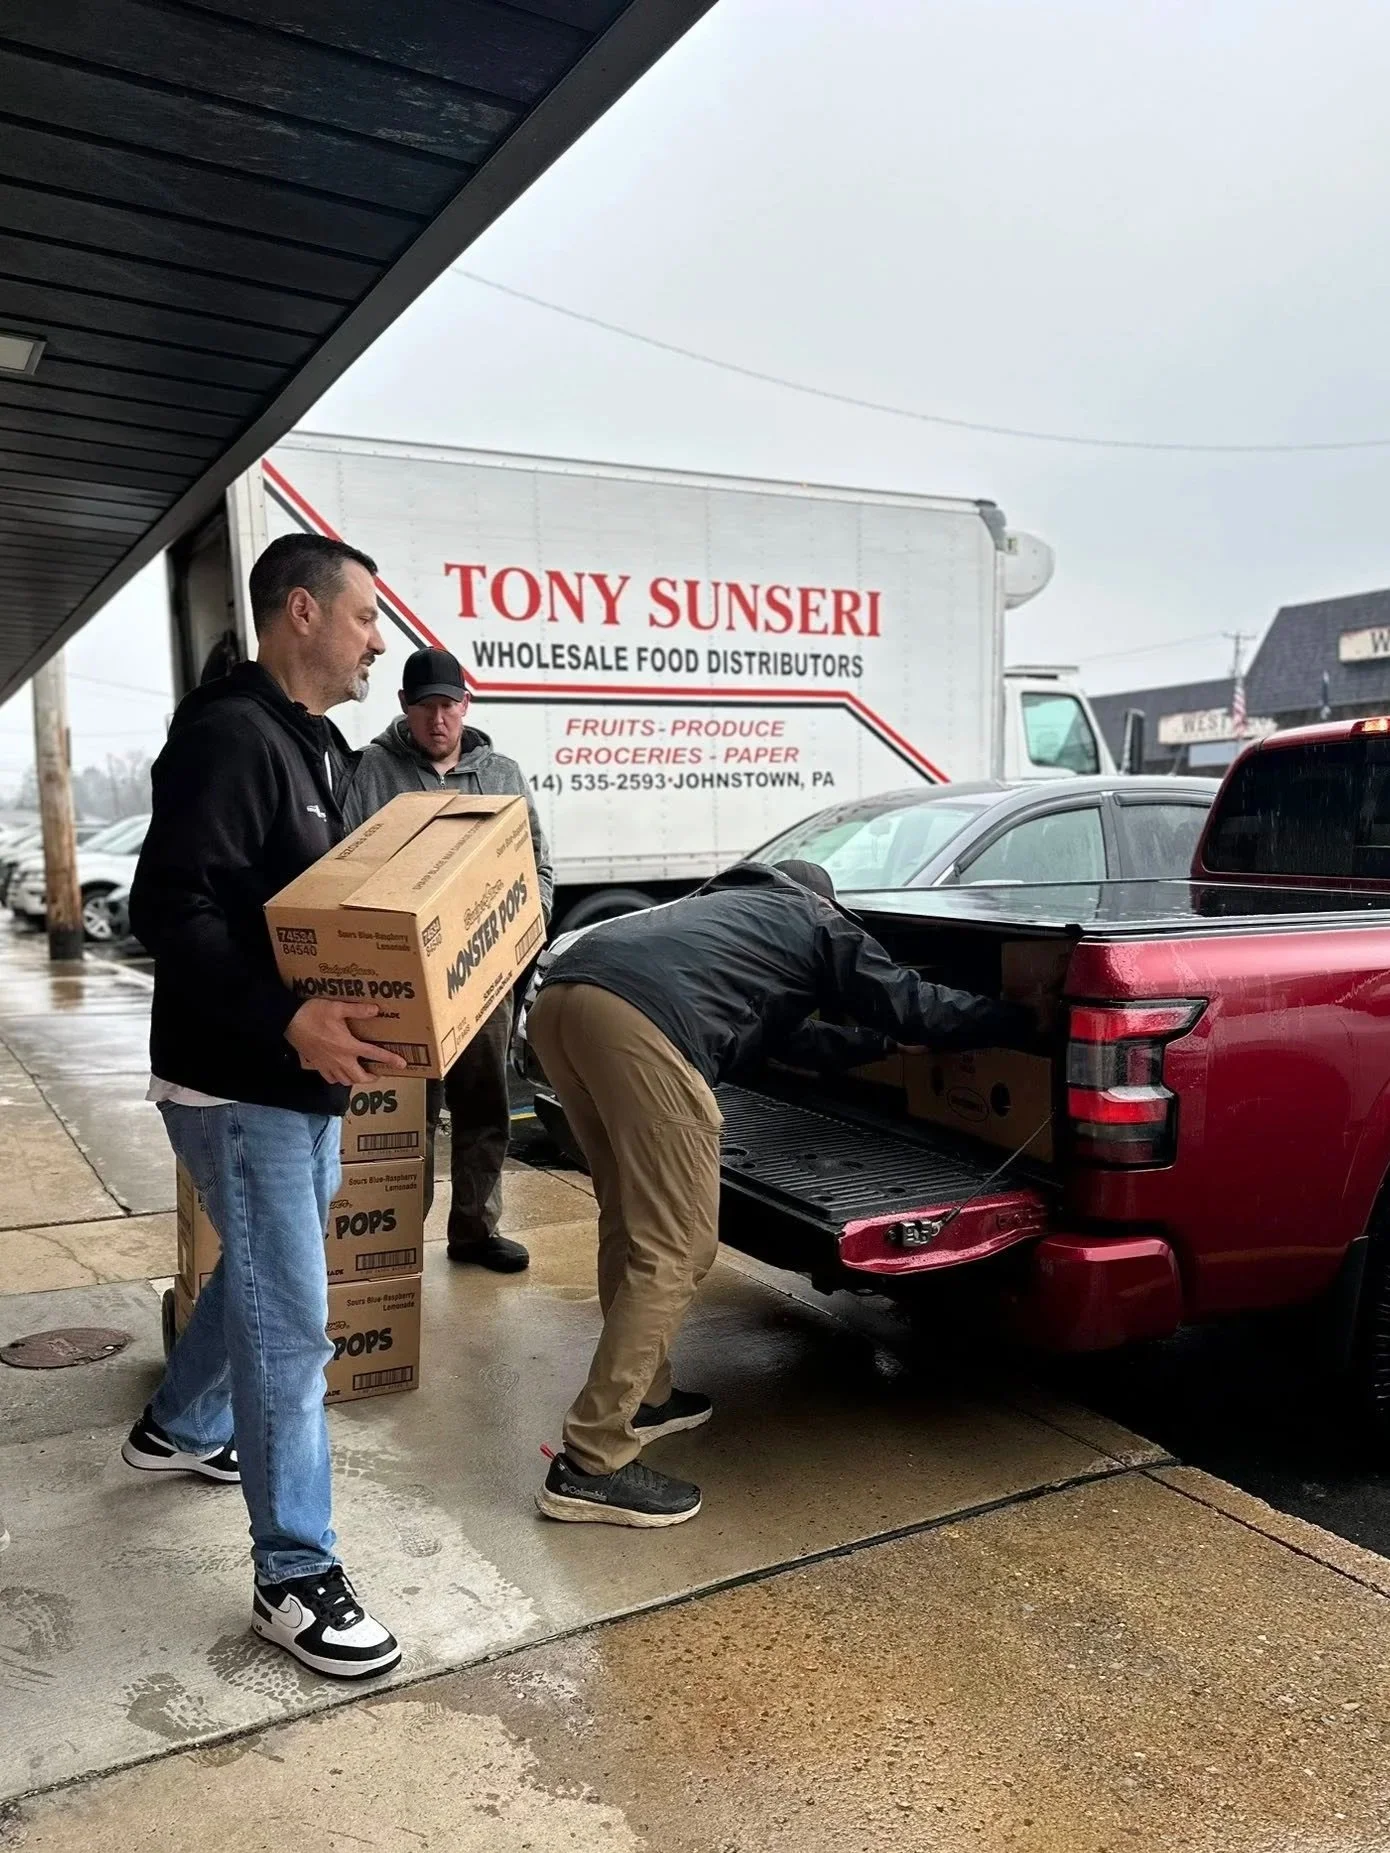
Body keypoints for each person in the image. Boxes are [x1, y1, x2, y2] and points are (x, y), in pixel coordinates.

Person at [526, 858, 1036, 1529]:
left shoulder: (723, 925)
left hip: (562, 1002)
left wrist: (882, 1049)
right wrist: (1016, 1019)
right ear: (820, 899)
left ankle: (646, 1397)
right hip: (640, 1024)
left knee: (628, 1217)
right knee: (678, 1245)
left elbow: (798, 1043)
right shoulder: (812, 916)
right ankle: (593, 1458)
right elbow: (911, 1002)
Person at [125, 532, 408, 1680]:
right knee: (291, 1325)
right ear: (300, 612)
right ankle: (293, 1574)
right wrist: (288, 1020)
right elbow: (167, 905)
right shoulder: (230, 736)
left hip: (296, 1086)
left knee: (260, 1273)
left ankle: (182, 1425)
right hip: (238, 1085)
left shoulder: (320, 749)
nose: (378, 641)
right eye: (363, 619)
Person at [343, 647, 553, 1272]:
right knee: (410, 1113)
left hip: (482, 975)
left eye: (449, 705)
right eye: (426, 706)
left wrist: (525, 927)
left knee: (484, 1104)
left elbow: (535, 861)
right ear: (405, 708)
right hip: (402, 983)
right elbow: (346, 870)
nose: (439, 720)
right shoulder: (370, 773)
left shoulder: (503, 775)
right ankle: (398, 1239)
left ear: (466, 705)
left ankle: (474, 1233)